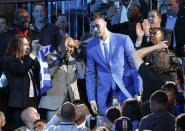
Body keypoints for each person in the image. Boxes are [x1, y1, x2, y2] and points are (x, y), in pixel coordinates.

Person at [86, 13, 142, 116]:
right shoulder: (90, 47)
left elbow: (135, 66)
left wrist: (139, 90)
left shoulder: (123, 40)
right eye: (92, 27)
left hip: (126, 90)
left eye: (97, 26)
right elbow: (90, 74)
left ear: (105, 23)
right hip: (104, 95)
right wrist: (92, 99)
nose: (95, 30)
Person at [39, 37, 84, 120]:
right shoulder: (50, 57)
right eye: (67, 46)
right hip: (54, 103)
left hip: (72, 102)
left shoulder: (74, 60)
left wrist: (78, 58)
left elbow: (81, 76)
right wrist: (60, 58)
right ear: (61, 46)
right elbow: (48, 75)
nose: (69, 49)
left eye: (71, 46)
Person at [3, 35, 40, 129]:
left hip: (32, 100)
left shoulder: (27, 60)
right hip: (19, 103)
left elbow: (37, 74)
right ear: (16, 46)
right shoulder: (8, 60)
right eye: (25, 44)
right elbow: (22, 70)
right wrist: (34, 52)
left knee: (34, 127)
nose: (28, 47)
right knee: (20, 128)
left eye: (28, 44)